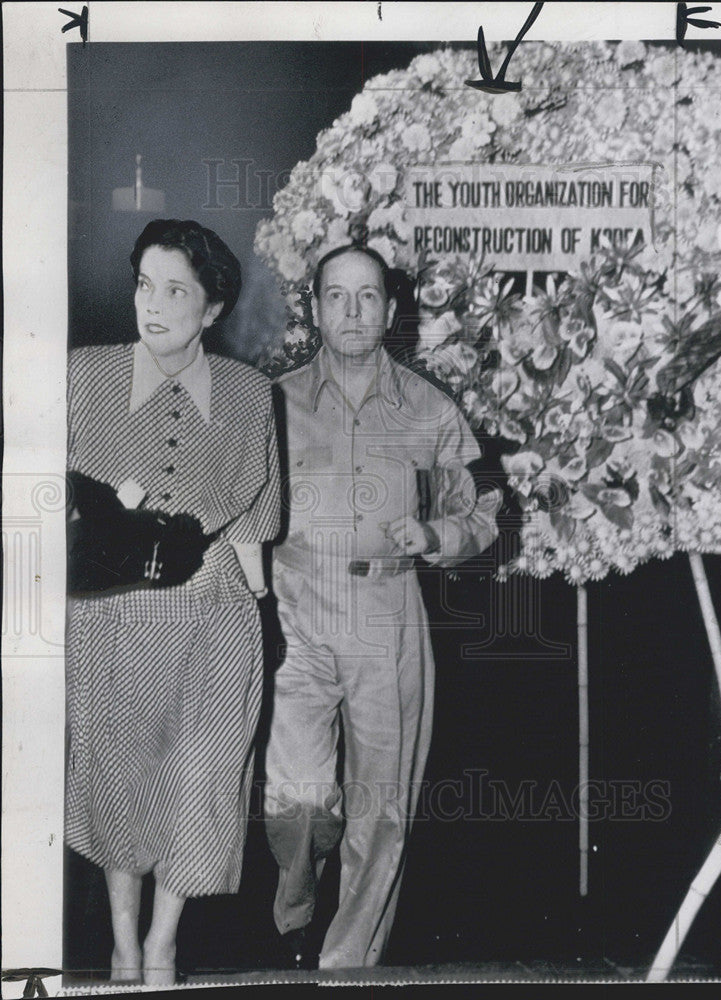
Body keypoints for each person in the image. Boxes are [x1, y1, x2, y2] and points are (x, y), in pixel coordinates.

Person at [264, 244, 501, 969]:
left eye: (368, 298)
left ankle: (347, 967)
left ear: (391, 311)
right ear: (314, 308)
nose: (352, 313)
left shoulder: (430, 408)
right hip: (298, 607)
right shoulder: (272, 402)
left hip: (389, 607)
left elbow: (485, 509)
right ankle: (298, 893)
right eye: (336, 296)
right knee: (301, 800)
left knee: (382, 807)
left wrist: (437, 533)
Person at [65, 219, 281, 986]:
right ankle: (123, 944)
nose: (152, 305)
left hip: (214, 612)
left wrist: (264, 623)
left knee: (202, 779)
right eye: (143, 285)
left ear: (213, 307)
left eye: (176, 290)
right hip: (113, 615)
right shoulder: (80, 376)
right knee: (121, 777)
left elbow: (255, 527)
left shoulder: (252, 395)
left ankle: (163, 946)